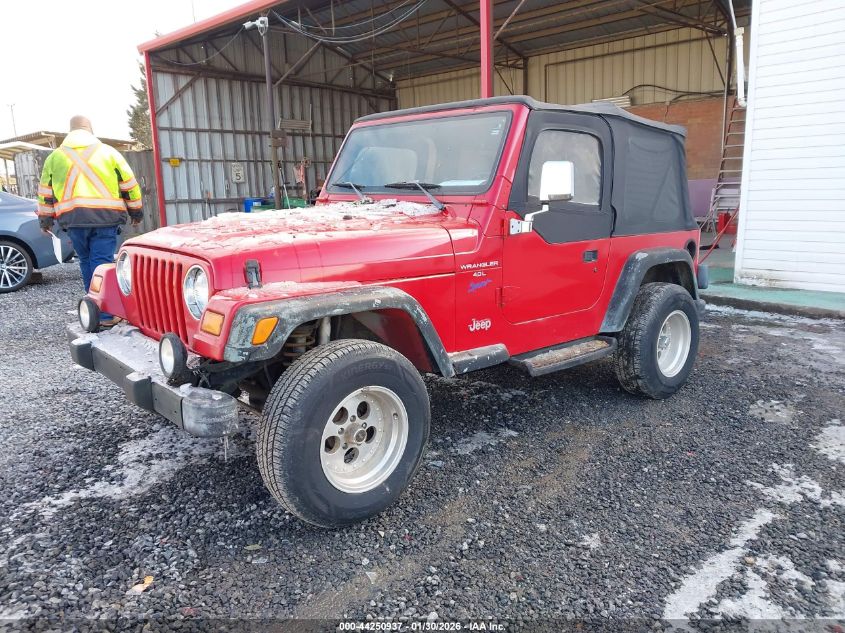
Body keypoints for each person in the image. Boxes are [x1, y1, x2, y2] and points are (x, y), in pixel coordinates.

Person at [37, 116, 143, 327]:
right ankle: (105, 314)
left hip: (74, 220)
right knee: (102, 263)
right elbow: (129, 185)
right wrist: (136, 213)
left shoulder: (55, 157)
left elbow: (45, 194)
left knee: (86, 262)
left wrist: (45, 222)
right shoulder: (108, 153)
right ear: (90, 130)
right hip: (106, 217)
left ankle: (94, 309)